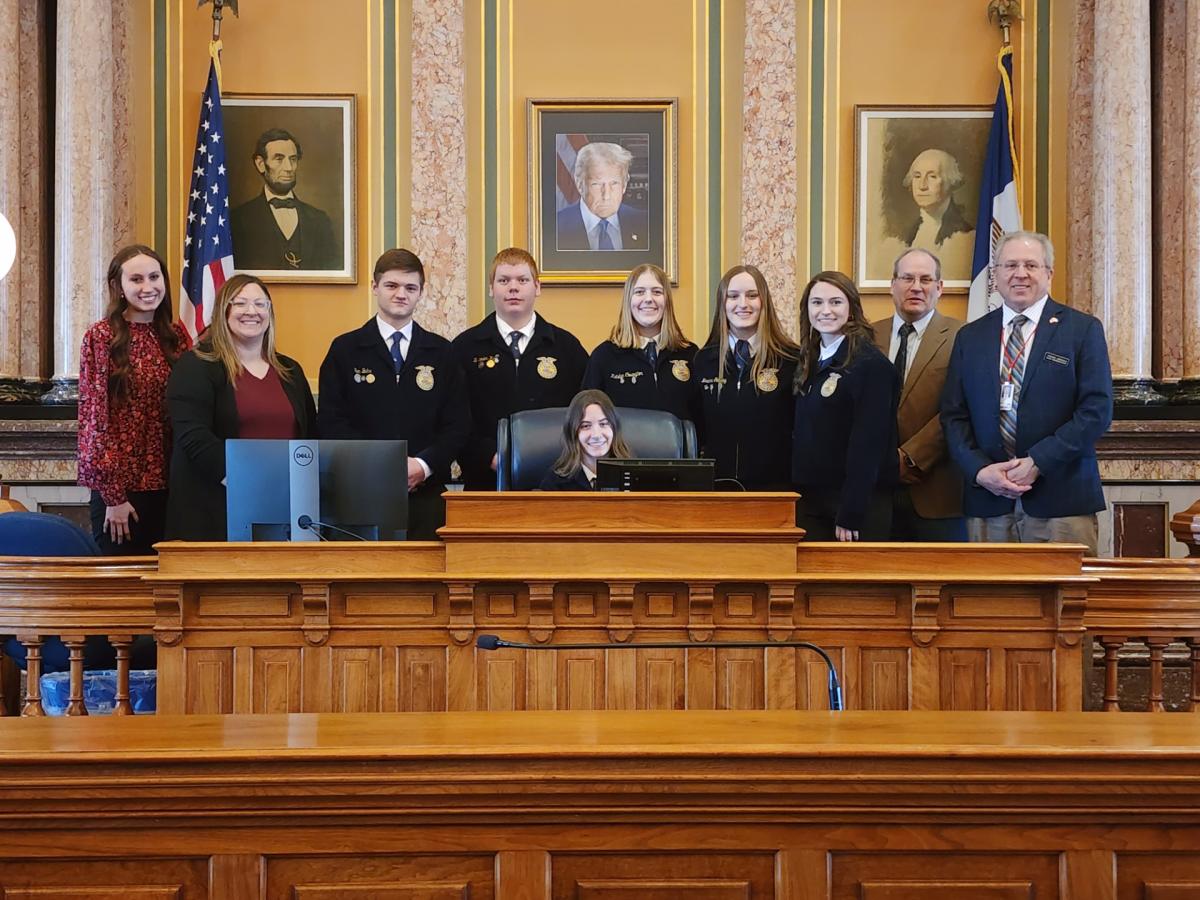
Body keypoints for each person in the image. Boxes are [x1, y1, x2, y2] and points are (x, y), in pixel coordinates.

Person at [941, 230, 1113, 555]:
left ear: (1048, 273)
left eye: (1031, 265)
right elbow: (953, 417)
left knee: (1066, 604)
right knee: (990, 603)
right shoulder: (971, 337)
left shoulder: (1082, 330)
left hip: (1061, 500)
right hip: (988, 501)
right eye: (1010, 265)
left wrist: (1038, 460)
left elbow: (1096, 412)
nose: (1020, 274)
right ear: (996, 276)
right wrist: (980, 471)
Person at [318, 249, 471, 539]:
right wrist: (381, 466)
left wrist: (422, 466)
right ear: (375, 287)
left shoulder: (442, 352)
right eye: (392, 285)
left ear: (420, 293)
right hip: (359, 494)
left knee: (427, 582)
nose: (401, 294)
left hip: (425, 496)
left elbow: (457, 425)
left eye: (410, 287)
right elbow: (331, 422)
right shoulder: (345, 350)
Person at [165, 274, 317, 541]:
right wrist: (243, 480)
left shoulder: (290, 370)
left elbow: (311, 436)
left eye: (260, 304)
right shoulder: (196, 365)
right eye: (241, 303)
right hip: (218, 507)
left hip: (285, 507)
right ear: (224, 311)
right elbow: (192, 435)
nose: (252, 311)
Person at [77, 245, 190, 555]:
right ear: (119, 286)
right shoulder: (101, 336)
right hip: (122, 494)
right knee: (125, 589)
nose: (148, 287)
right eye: (137, 279)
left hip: (170, 488)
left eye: (154, 277)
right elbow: (94, 420)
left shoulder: (175, 337)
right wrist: (113, 497)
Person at [451, 248, 588, 489]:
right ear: (491, 288)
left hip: (556, 481)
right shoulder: (464, 348)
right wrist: (487, 456)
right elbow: (453, 418)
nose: (513, 288)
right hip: (484, 482)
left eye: (522, 280)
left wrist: (562, 458)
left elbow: (583, 414)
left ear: (537, 287)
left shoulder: (567, 347)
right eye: (504, 280)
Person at [792, 271, 899, 541]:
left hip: (854, 508)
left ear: (851, 309)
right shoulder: (811, 360)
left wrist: (851, 511)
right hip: (814, 502)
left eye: (835, 302)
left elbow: (868, 445)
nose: (825, 310)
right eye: (816, 303)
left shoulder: (870, 365)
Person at [871, 248, 966, 540]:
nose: (915, 287)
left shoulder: (964, 336)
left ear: (940, 288)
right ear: (892, 285)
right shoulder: (865, 336)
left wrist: (909, 458)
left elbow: (960, 406)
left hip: (937, 494)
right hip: (873, 494)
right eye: (907, 278)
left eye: (926, 279)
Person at [692, 265, 799, 490]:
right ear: (722, 303)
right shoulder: (703, 360)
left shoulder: (791, 359)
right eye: (733, 296)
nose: (743, 304)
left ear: (764, 302)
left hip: (776, 489)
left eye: (752, 295)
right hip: (716, 489)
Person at [582, 264, 696, 421]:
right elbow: (588, 420)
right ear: (628, 300)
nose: (648, 299)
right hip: (625, 446)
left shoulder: (691, 354)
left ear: (667, 301)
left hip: (678, 445)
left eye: (657, 292)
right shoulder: (603, 357)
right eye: (639, 292)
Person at [230, 128, 339, 271]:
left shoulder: (320, 220)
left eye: (293, 159)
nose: (289, 168)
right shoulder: (238, 220)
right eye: (279, 159)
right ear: (261, 164)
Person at [556, 142, 649, 251]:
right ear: (580, 184)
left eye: (614, 183)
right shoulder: (555, 227)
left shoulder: (645, 223)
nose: (606, 195)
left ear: (624, 185)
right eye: (597, 184)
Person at [539, 389, 632, 490]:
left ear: (614, 428)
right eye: (586, 426)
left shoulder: (633, 475)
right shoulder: (555, 481)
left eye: (604, 424)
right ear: (573, 432)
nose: (596, 435)